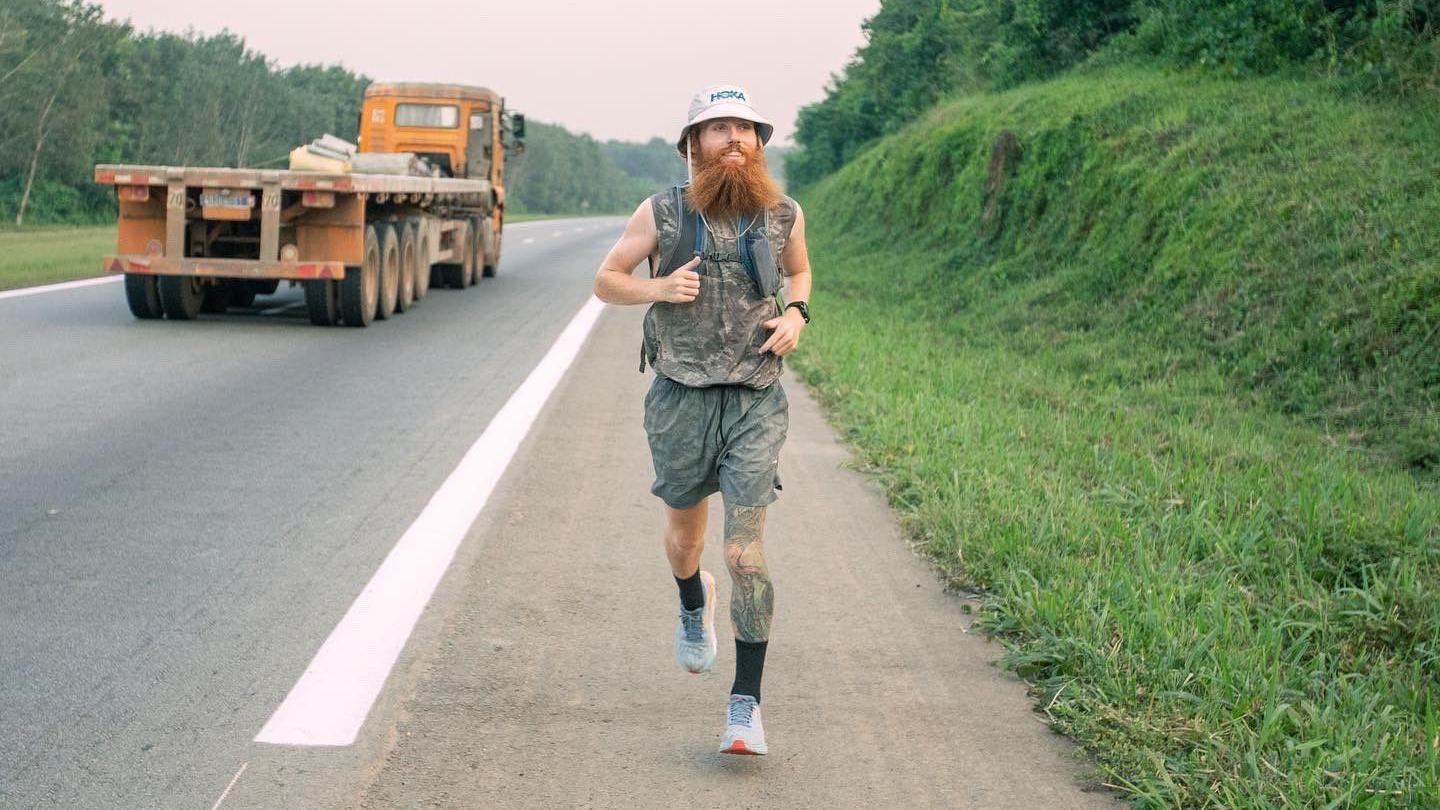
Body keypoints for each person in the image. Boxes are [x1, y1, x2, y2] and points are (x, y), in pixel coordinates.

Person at [593, 84, 813, 756]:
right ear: (693, 147)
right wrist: (658, 287)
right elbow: (607, 279)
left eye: (744, 129)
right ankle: (693, 600)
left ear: (759, 144)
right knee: (686, 543)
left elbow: (800, 276)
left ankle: (744, 707)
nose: (734, 140)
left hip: (753, 398)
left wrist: (797, 316)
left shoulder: (782, 215)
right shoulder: (661, 211)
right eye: (717, 129)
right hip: (680, 398)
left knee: (745, 550)